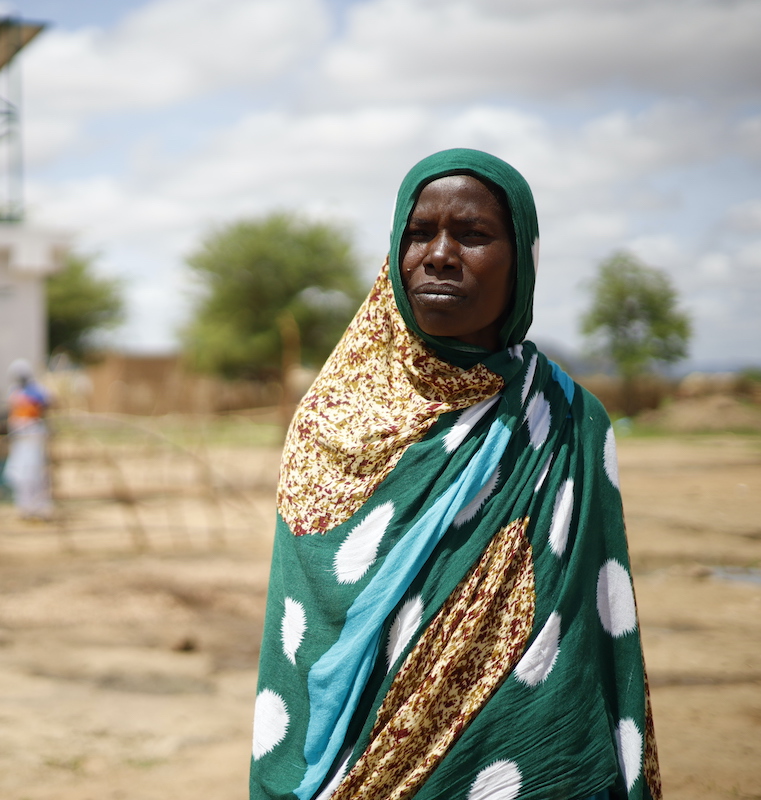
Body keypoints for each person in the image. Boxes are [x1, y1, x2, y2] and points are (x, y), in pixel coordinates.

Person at [250, 149, 660, 800]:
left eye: (473, 234)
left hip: (522, 759)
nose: (440, 254)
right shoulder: (332, 422)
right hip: (349, 769)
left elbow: (594, 626)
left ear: (520, 261)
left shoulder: (568, 420)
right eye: (419, 233)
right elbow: (301, 635)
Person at [3, 359, 53, 519]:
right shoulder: (15, 392)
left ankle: (38, 507)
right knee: (20, 472)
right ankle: (24, 506)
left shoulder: (37, 391)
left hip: (32, 436)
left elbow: (47, 403)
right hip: (19, 437)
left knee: (34, 471)